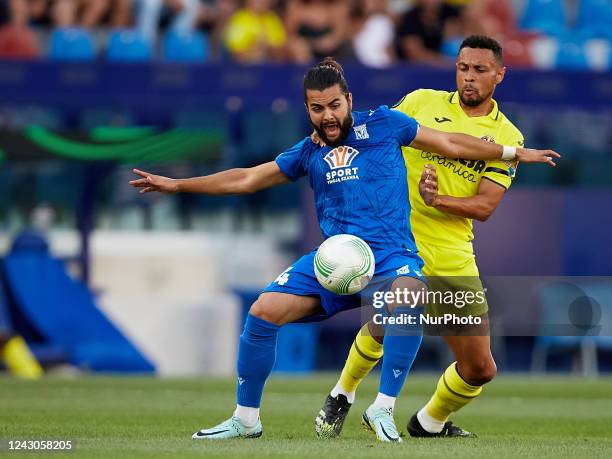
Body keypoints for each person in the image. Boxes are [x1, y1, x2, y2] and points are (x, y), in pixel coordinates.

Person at [130, 57, 558, 442]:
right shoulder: (307, 151)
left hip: (391, 256)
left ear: (348, 99)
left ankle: (383, 408)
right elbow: (247, 178)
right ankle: (245, 419)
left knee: (410, 296)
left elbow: (453, 144)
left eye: (334, 105)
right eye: (317, 109)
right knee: (262, 311)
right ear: (307, 110)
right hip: (337, 262)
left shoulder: (388, 124)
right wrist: (178, 184)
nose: (328, 116)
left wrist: (516, 152)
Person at [315, 35, 531, 439]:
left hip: (452, 255)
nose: (469, 77)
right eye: (463, 68)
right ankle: (342, 395)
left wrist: (439, 198)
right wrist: (330, 132)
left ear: (499, 75)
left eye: (480, 70)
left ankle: (429, 422)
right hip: (401, 242)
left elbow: (485, 207)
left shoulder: (507, 136)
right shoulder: (420, 102)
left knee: (480, 368)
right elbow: (372, 131)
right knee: (387, 319)